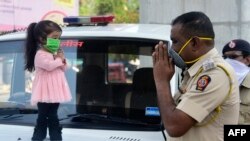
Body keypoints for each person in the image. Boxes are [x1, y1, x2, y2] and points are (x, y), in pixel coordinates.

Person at [152, 11, 240, 141]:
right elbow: (170, 112)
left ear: (194, 43)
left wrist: (161, 81)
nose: (171, 50)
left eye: (175, 41)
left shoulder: (216, 74)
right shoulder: (195, 71)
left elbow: (174, 126)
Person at [24, 20, 72, 141]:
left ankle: (55, 134)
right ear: (41, 38)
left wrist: (62, 59)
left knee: (53, 114)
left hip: (55, 91)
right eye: (54, 37)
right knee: (43, 114)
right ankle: (39, 133)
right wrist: (58, 59)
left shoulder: (55, 53)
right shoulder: (40, 54)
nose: (57, 41)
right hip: (44, 92)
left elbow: (65, 67)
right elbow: (49, 66)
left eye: (59, 38)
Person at [222, 39, 250, 124]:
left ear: (248, 59)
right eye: (225, 57)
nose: (227, 61)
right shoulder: (218, 83)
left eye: (233, 57)